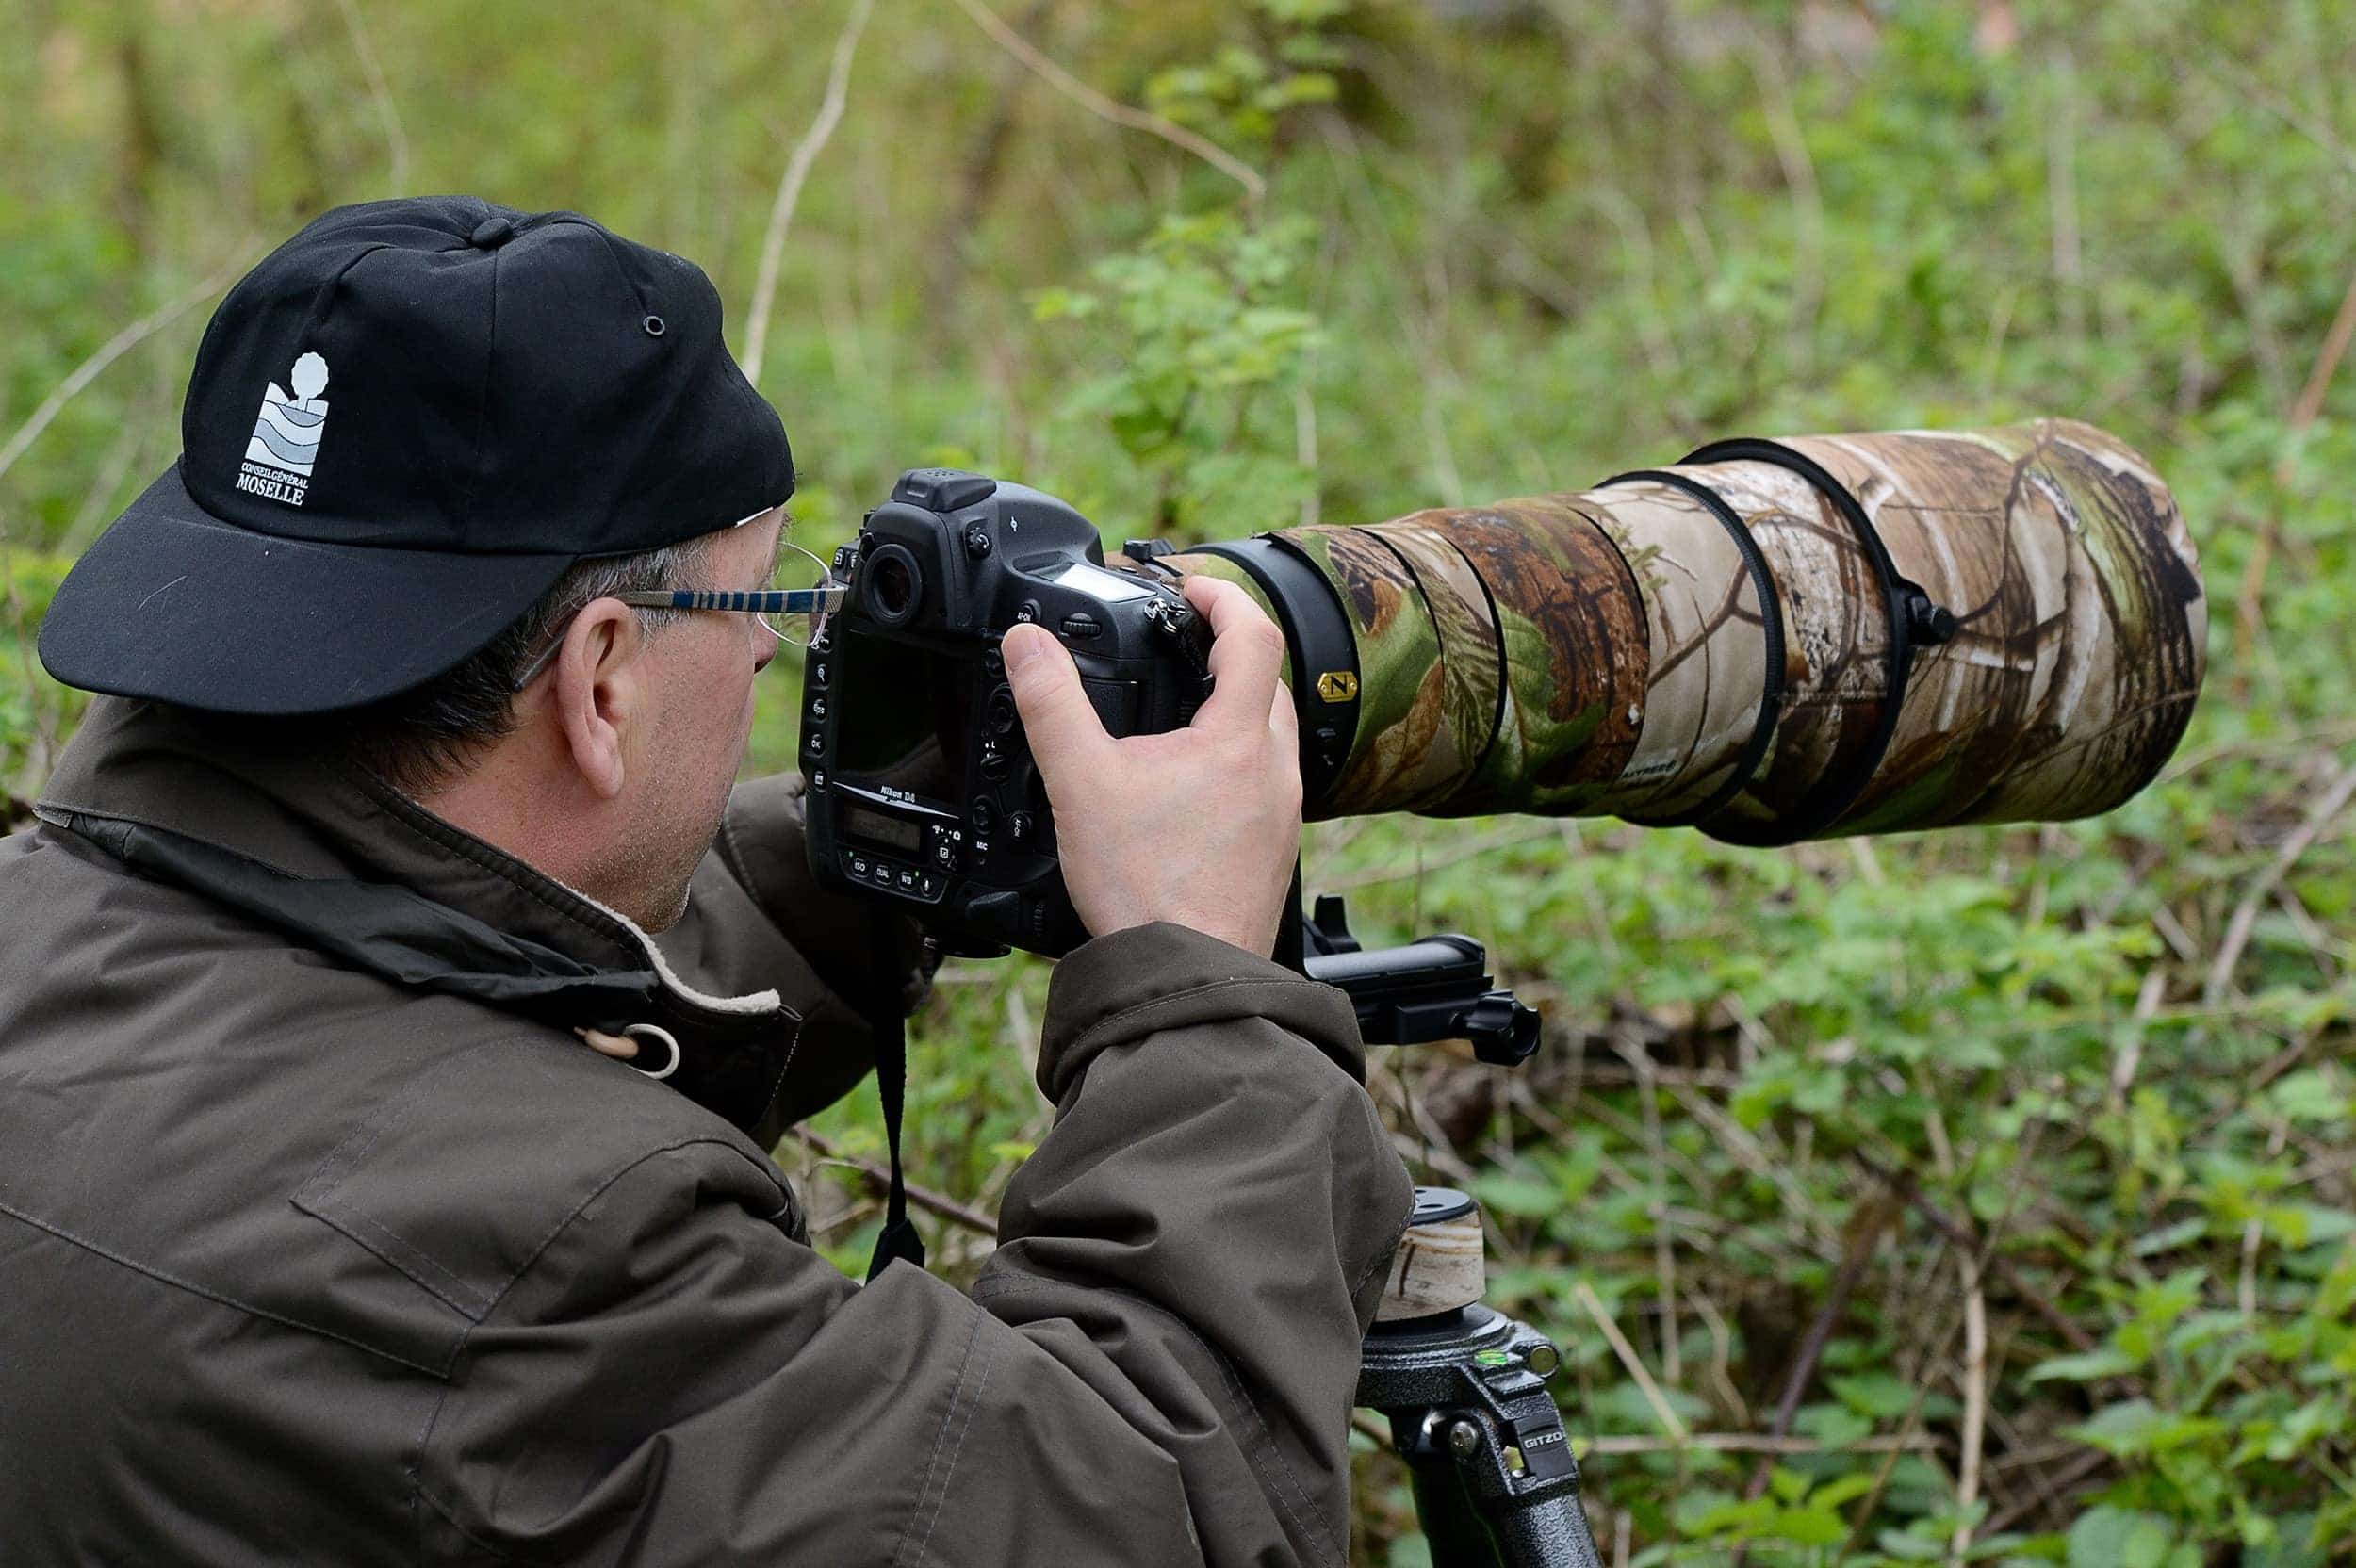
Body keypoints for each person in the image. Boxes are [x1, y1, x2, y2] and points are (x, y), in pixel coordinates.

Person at [0, 197, 1413, 1565]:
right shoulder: (556, 1260)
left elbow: (412, 999)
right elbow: (1136, 1508)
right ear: (601, 678)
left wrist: (892, 849)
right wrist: (1198, 988)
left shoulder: (44, 927)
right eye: (765, 603)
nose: (766, 657)